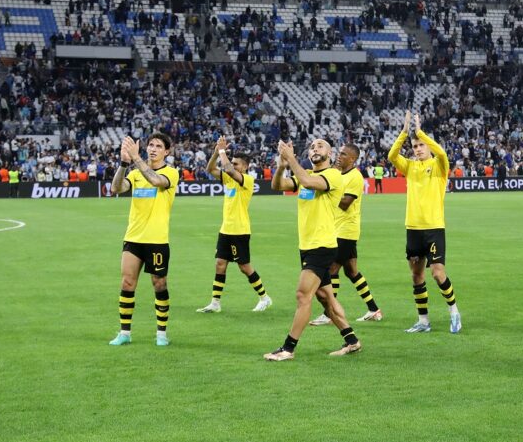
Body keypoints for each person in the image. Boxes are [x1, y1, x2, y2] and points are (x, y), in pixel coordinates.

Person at [265, 139, 362, 361]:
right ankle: (352, 341)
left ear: (330, 153)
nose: (314, 149)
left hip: (322, 246)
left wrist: (291, 158)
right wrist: (281, 166)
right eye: (311, 147)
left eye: (320, 146)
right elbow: (277, 186)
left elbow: (308, 182)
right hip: (307, 246)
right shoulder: (305, 174)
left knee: (303, 295)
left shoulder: (333, 175)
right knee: (326, 298)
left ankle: (288, 348)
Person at [388, 111, 461, 334]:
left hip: (434, 228)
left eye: (421, 145)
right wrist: (404, 132)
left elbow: (442, 152)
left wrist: (421, 133)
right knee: (416, 275)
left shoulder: (439, 166)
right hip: (413, 228)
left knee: (437, 273)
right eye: (415, 146)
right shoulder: (410, 167)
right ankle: (423, 321)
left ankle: (454, 311)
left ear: (427, 146)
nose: (418, 148)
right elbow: (392, 155)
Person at [108, 133, 180, 347]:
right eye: (150, 145)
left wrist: (136, 158)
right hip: (133, 238)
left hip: (157, 239)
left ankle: (161, 334)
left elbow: (156, 181)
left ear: (166, 151)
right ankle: (125, 333)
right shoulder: (135, 174)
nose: (153, 149)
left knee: (159, 284)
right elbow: (116, 188)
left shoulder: (171, 173)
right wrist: (124, 163)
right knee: (127, 283)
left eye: (158, 146)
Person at [197, 136, 272, 314]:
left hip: (239, 230)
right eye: (233, 162)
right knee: (220, 264)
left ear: (245, 167)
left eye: (236, 163)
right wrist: (216, 152)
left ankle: (264, 298)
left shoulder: (247, 180)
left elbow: (229, 169)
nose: (232, 165)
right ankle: (215, 302)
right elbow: (210, 169)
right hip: (226, 229)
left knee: (244, 267)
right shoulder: (229, 180)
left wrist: (223, 151)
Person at [310, 143, 383, 326]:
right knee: (351, 272)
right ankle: (374, 309)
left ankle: (329, 313)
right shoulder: (338, 174)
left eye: (343, 154)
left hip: (346, 231)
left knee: (331, 270)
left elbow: (345, 203)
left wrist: (328, 193)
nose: (339, 156)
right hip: (338, 228)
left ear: (352, 159)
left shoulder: (355, 177)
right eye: (339, 153)